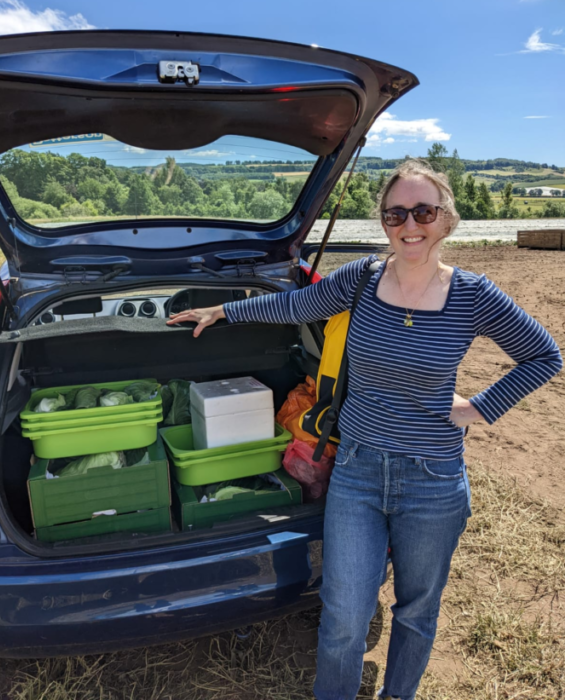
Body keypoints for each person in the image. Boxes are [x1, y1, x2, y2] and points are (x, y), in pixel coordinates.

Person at [166, 159, 562, 700]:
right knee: (345, 617)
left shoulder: (473, 294)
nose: (409, 225)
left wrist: (479, 407)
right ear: (383, 222)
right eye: (395, 213)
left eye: (423, 211)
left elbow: (543, 355)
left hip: (433, 480)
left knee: (417, 610)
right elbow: (294, 304)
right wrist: (225, 312)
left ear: (446, 219)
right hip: (356, 472)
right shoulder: (361, 279)